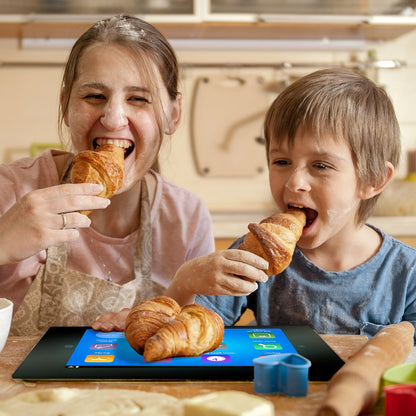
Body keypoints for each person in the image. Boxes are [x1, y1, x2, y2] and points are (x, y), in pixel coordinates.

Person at [96, 67, 416, 342]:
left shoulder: (407, 273)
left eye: (320, 165)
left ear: (373, 179)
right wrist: (175, 294)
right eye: (281, 161)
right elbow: (193, 328)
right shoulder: (254, 254)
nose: (294, 182)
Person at [0, 15, 219, 336]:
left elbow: (200, 335)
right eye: (94, 96)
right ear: (65, 105)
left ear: (173, 114)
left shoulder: (186, 218)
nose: (114, 118)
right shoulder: (11, 190)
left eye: (139, 99)